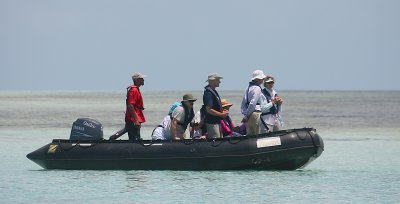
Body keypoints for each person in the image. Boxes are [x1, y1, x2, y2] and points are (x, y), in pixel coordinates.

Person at [240, 70, 267, 135]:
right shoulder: (257, 88)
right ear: (258, 79)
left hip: (248, 114)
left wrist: (246, 115)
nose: (263, 80)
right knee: (257, 135)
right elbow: (253, 103)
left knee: (249, 135)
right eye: (262, 78)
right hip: (255, 114)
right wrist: (246, 116)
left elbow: (243, 103)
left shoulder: (248, 88)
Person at [203, 73, 229, 138]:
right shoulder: (208, 93)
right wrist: (221, 114)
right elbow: (208, 110)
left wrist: (222, 111)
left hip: (217, 122)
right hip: (212, 123)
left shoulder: (213, 91)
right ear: (212, 81)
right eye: (218, 80)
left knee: (219, 140)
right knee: (216, 142)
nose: (219, 82)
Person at [125, 72, 146, 141]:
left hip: (135, 116)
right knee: (134, 137)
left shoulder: (136, 89)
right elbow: (130, 105)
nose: (143, 80)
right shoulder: (133, 90)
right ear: (136, 80)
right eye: (141, 79)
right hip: (133, 118)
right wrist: (136, 120)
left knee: (136, 136)